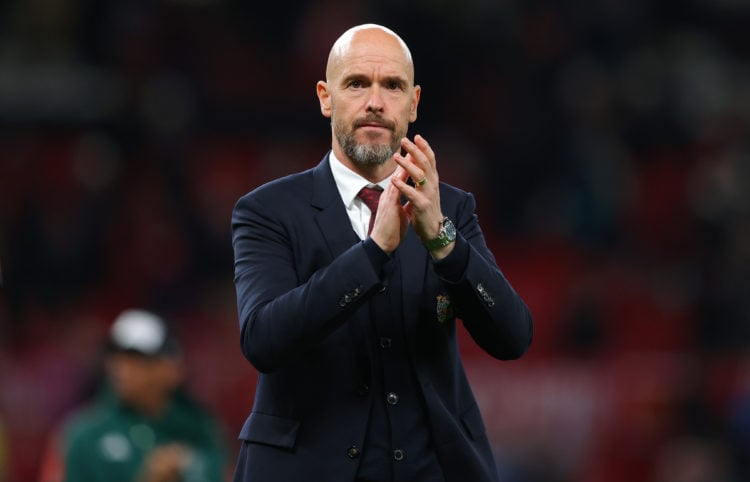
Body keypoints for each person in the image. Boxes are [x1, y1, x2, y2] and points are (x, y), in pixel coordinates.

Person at [230, 24, 533, 482]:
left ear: (412, 104)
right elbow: (263, 339)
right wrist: (374, 252)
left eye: (391, 86)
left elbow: (513, 337)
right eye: (357, 84)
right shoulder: (267, 210)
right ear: (325, 97)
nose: (375, 101)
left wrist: (444, 244)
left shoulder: (449, 208)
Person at [39, 309, 226, 482]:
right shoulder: (84, 436)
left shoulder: (201, 430)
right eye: (116, 357)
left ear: (172, 367)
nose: (122, 369)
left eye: (138, 359)